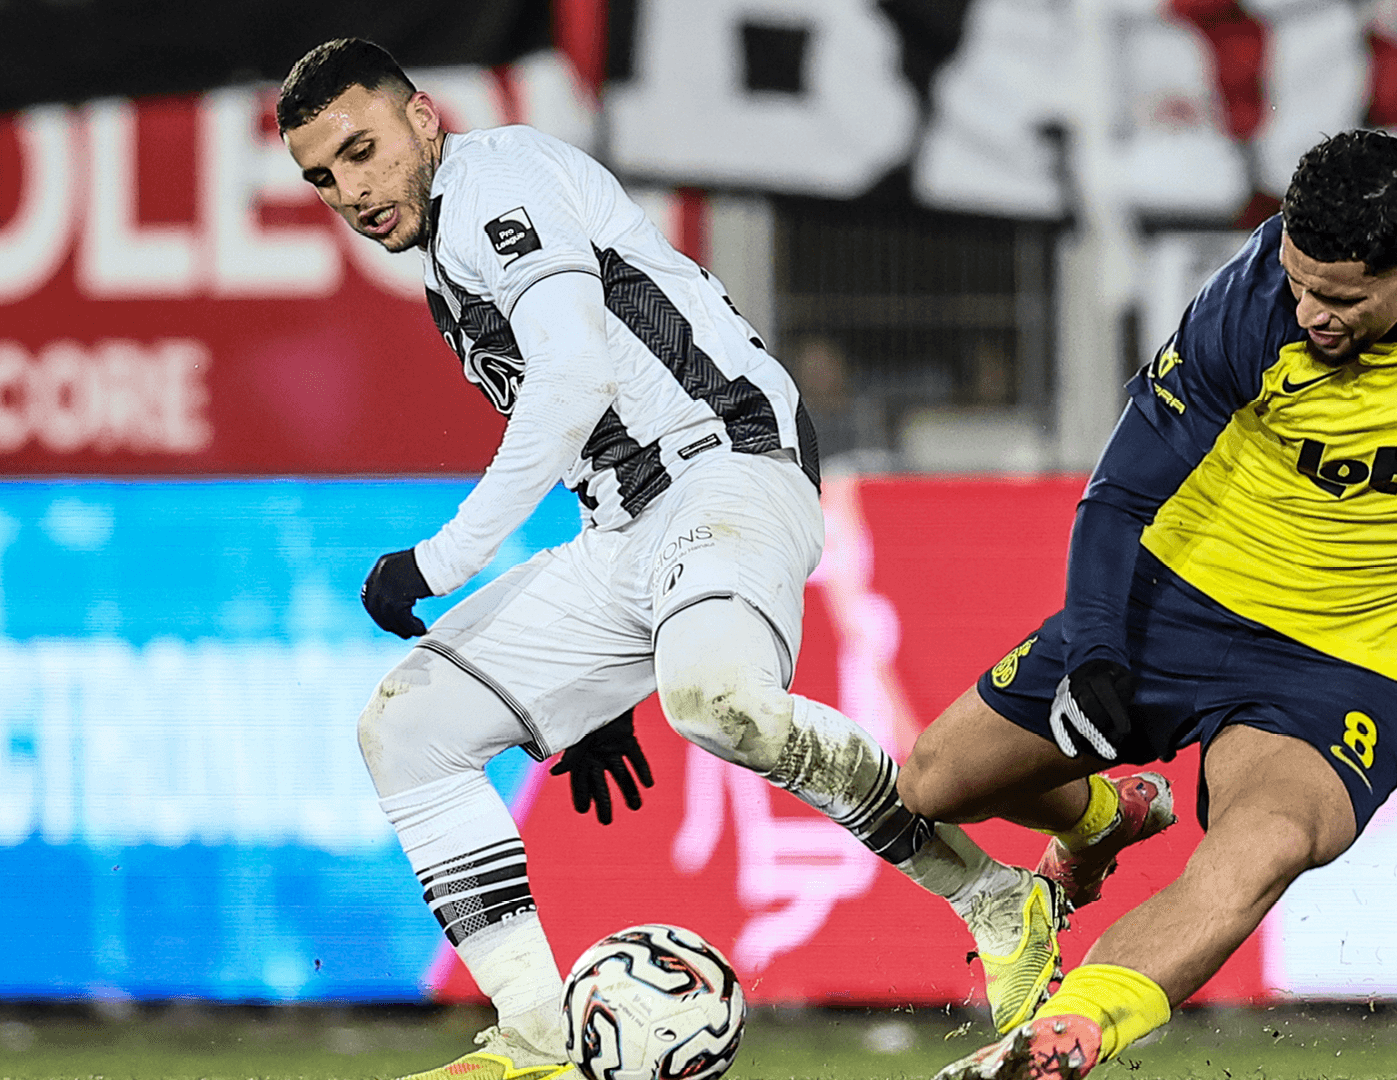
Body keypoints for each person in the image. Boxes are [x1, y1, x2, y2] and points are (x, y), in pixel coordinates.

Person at [277, 38, 1065, 1080]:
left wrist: (440, 560)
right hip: (626, 529)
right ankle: (541, 1036)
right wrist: (594, 690)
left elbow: (571, 384)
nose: (352, 190)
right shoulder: (448, 252)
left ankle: (996, 898)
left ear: (424, 118)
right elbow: (594, 425)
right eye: (323, 177)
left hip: (727, 466)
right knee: (409, 732)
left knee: (714, 701)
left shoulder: (494, 186)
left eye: (363, 150)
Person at [899, 129, 1397, 1079]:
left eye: (1340, 299)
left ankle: (1061, 1039)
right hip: (1178, 605)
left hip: (1346, 666)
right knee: (933, 785)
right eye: (1299, 281)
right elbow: (1119, 494)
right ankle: (1100, 820)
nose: (1310, 312)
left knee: (1265, 845)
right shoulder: (1249, 300)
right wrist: (1100, 649)